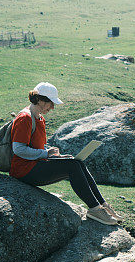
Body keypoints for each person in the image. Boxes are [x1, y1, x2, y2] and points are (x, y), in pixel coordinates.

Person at [10, 82, 122, 226]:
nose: (52, 107)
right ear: (39, 100)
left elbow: (37, 146)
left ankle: (103, 206)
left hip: (35, 165)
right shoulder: (24, 118)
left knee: (76, 162)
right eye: (50, 103)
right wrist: (45, 153)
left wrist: (51, 154)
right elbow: (18, 149)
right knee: (72, 166)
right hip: (23, 171)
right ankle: (94, 209)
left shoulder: (39, 118)